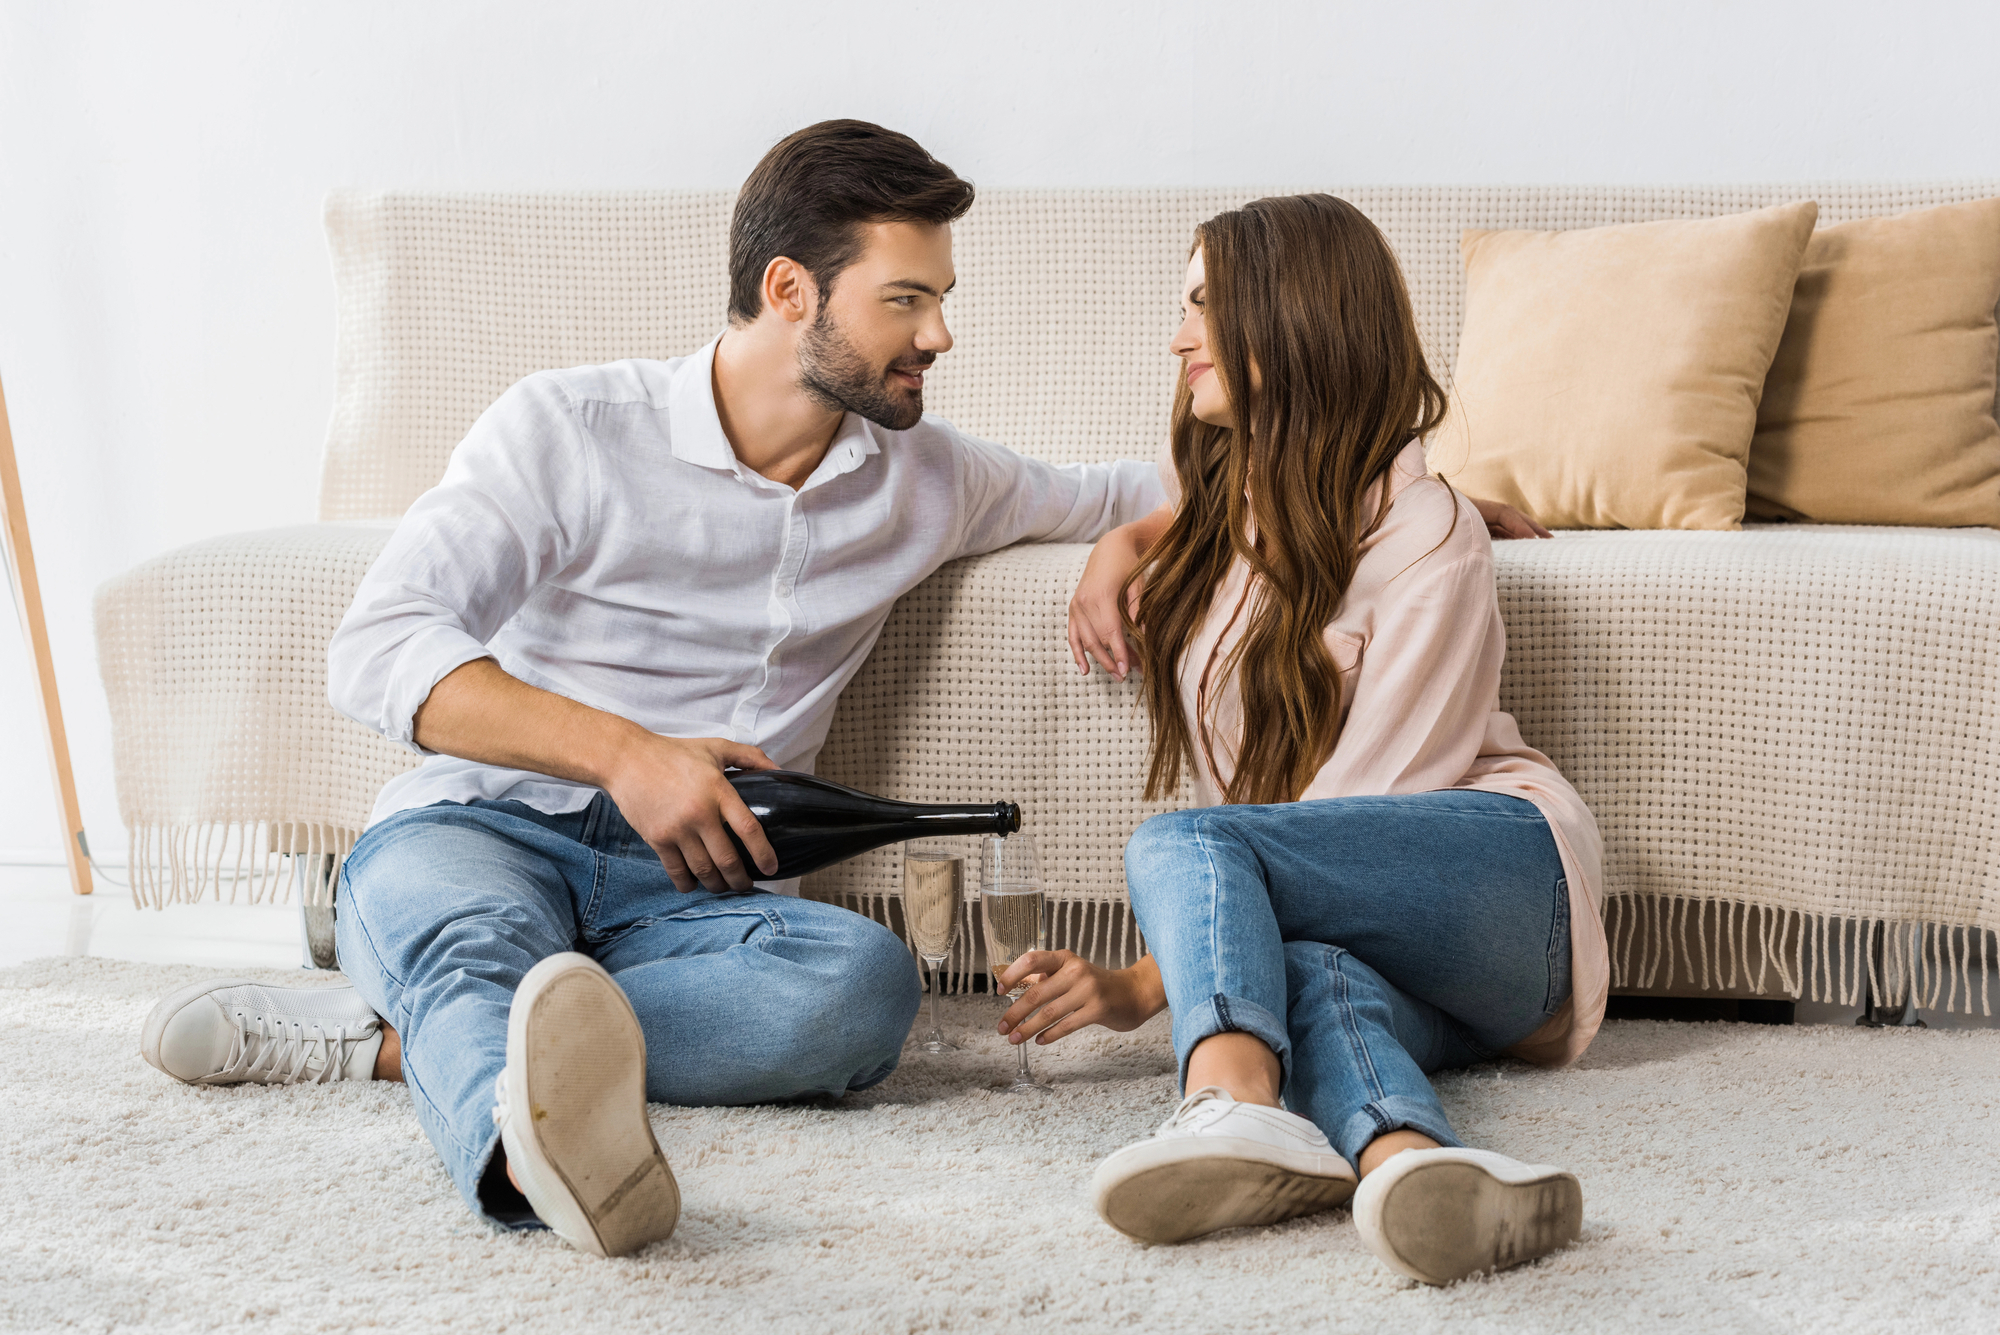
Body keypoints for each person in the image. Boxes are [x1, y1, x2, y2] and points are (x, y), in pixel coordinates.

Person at [135, 120, 1175, 1258]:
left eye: (941, 299)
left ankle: (391, 1039)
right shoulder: (570, 429)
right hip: (486, 828)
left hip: (695, 899)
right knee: (466, 934)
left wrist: (1125, 544)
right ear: (789, 290)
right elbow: (379, 644)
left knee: (859, 991)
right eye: (905, 300)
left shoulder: (931, 477)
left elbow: (1162, 487)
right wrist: (629, 755)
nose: (939, 334)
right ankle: (524, 1154)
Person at [994, 193, 1603, 1286]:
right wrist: (1119, 544)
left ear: (1291, 319)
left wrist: (1147, 983)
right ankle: (1414, 1171)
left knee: (1183, 841)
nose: (1178, 337)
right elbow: (1186, 512)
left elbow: (1378, 800)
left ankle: (1228, 1099)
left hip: (1503, 887)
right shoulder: (1237, 511)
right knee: (1311, 980)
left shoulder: (1428, 532)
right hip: (1382, 948)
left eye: (1203, 306)